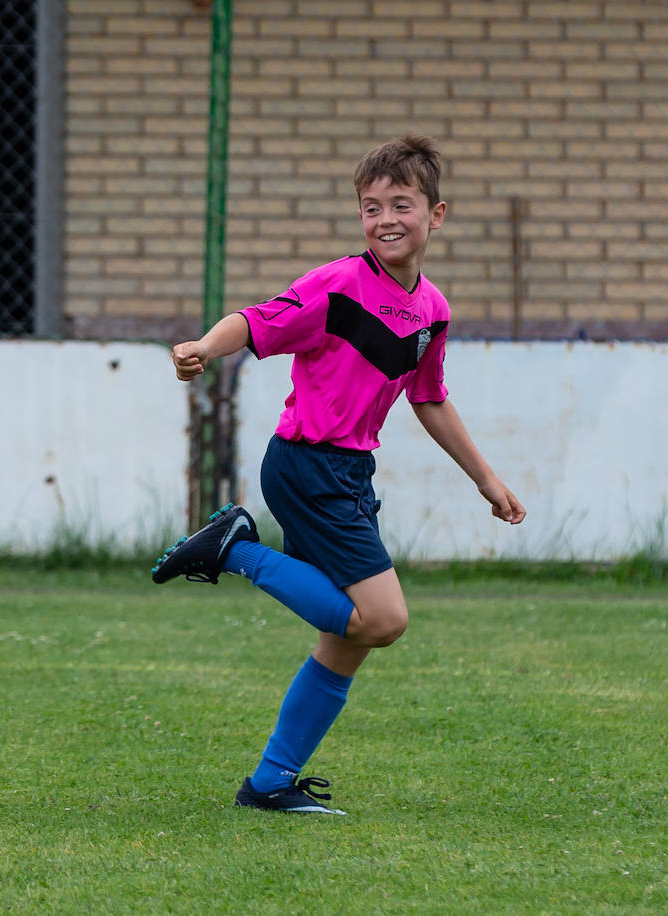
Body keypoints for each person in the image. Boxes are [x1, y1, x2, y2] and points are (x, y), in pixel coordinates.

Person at [151, 134, 525, 815]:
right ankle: (235, 549)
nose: (385, 218)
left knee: (343, 642)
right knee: (381, 620)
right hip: (307, 465)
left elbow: (430, 398)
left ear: (436, 215)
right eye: (370, 205)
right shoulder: (338, 287)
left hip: (348, 471)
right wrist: (205, 345)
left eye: (401, 205)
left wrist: (485, 480)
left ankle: (268, 784)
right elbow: (257, 319)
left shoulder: (432, 311)